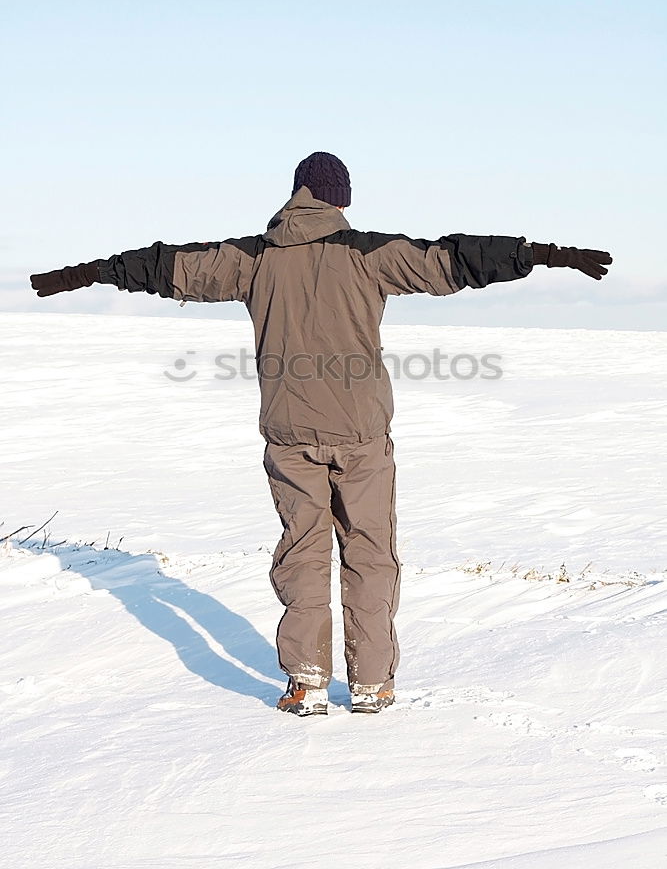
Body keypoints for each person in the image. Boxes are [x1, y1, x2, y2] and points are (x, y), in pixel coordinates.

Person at [30, 152, 613, 716]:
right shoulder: (368, 255)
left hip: (288, 432)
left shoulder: (252, 258)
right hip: (361, 432)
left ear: (297, 195)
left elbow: (166, 265)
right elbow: (455, 259)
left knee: (303, 552)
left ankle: (307, 681)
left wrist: (88, 273)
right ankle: (372, 682)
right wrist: (542, 254)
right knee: (370, 552)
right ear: (340, 201)